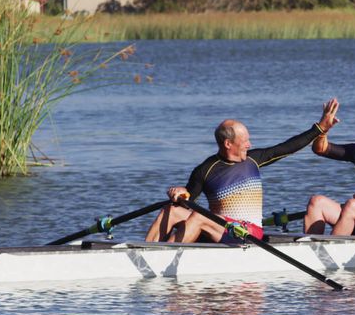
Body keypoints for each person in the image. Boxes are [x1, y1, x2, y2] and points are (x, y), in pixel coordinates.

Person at [145, 98, 340, 243]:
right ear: (228, 144)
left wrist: (320, 128)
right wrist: (181, 193)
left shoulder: (253, 160)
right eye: (244, 140)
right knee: (171, 210)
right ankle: (147, 251)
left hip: (248, 232)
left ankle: (165, 256)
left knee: (200, 217)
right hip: (218, 230)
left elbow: (288, 147)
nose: (249, 144)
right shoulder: (205, 170)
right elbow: (189, 200)